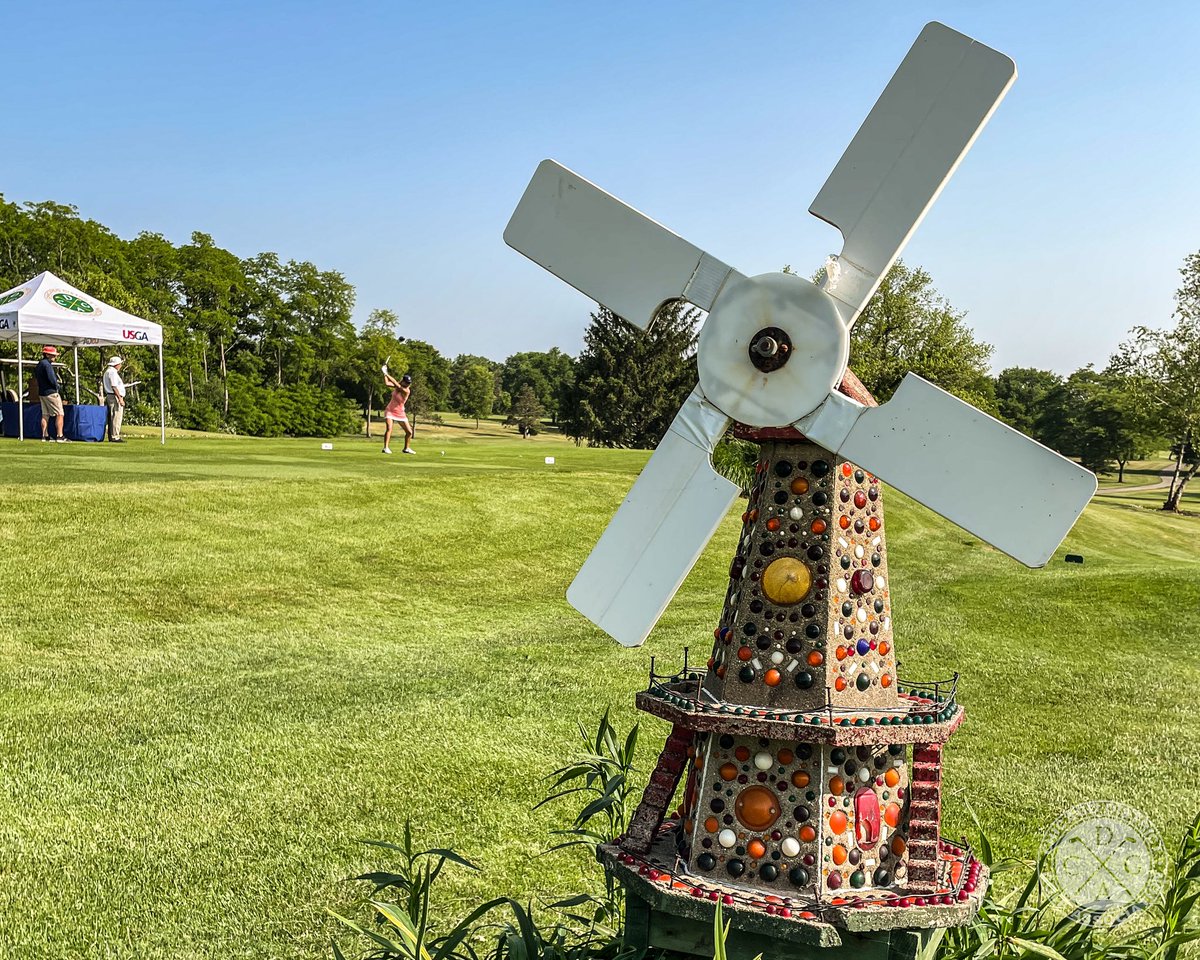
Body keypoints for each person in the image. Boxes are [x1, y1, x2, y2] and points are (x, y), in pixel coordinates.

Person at [34, 345, 66, 442]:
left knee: (45, 414)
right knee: (60, 413)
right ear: (47, 355)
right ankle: (60, 436)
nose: (55, 357)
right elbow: (52, 379)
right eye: (53, 355)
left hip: (42, 392)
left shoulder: (39, 364)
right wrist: (57, 386)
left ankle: (45, 435)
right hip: (51, 393)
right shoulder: (47, 365)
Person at [381, 367, 415, 455]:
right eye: (406, 382)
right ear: (403, 381)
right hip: (390, 410)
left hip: (400, 413)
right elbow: (387, 383)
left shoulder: (406, 391)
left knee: (409, 432)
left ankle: (406, 448)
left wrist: (386, 373)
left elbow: (396, 384)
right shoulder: (398, 387)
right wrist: (384, 374)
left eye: (409, 383)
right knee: (389, 428)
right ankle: (386, 448)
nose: (408, 384)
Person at [103, 356, 127, 442]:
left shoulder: (108, 371)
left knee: (112, 416)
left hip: (111, 396)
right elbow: (114, 386)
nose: (120, 366)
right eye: (120, 364)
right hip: (114, 396)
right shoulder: (112, 372)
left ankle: (112, 435)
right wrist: (120, 398)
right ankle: (115, 436)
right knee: (116, 416)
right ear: (116, 364)